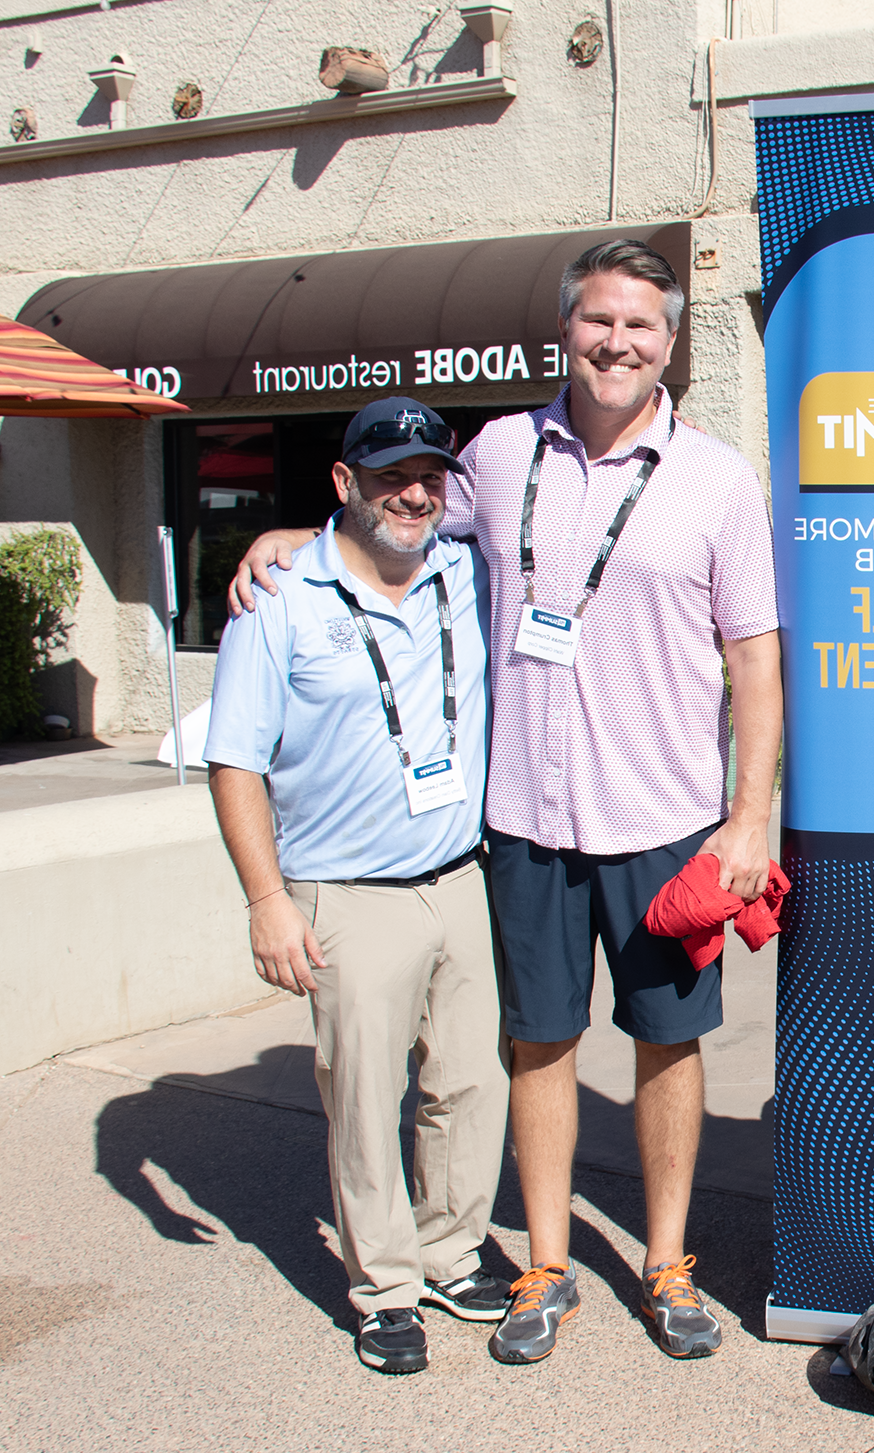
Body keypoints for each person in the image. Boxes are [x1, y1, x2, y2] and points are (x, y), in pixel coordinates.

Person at [229, 240, 783, 1368]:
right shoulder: (495, 451)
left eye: (638, 325)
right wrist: (296, 536)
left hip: (667, 817)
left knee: (669, 1045)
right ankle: (544, 1259)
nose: (615, 342)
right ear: (564, 332)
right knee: (537, 1042)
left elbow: (757, 658)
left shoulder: (718, 479)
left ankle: (666, 1263)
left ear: (669, 342)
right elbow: (400, 520)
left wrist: (747, 815)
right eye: (596, 322)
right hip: (523, 820)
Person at [203, 396, 508, 1376]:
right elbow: (235, 761)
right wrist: (266, 898)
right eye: (387, 477)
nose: (412, 494)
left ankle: (451, 1252)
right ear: (345, 483)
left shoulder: (465, 568)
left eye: (427, 475)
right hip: (345, 889)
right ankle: (383, 1285)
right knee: (366, 1100)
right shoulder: (280, 597)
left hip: (461, 877)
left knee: (468, 1082)